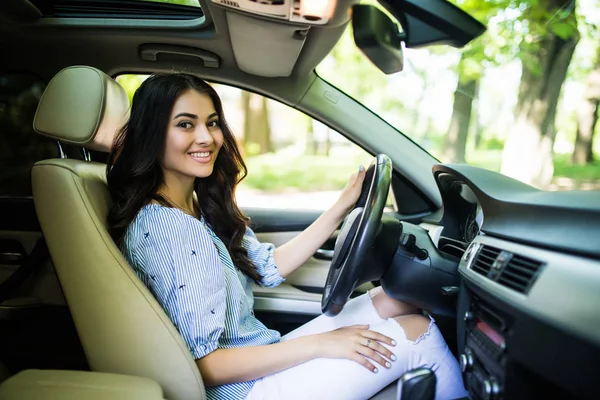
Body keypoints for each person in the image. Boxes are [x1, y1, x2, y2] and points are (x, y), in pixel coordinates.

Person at [106, 73, 467, 400]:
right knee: (417, 330)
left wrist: (342, 206)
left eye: (212, 123)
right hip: (244, 391)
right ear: (153, 133)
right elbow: (208, 366)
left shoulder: (197, 209)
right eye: (186, 124)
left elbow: (266, 266)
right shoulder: (170, 229)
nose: (207, 138)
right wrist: (322, 345)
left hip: (260, 357)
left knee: (395, 299)